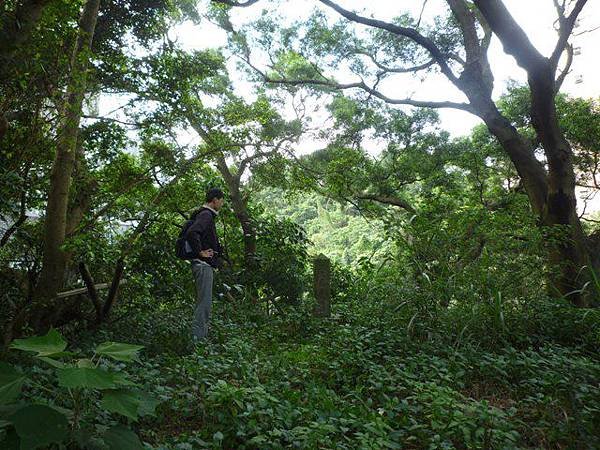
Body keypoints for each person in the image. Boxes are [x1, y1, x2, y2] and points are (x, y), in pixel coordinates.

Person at [185, 188, 224, 341]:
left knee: (203, 302)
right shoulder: (206, 214)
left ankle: (200, 338)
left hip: (202, 265)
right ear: (215, 200)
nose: (221, 204)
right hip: (203, 265)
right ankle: (198, 341)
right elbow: (192, 232)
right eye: (221, 201)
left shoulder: (204, 214)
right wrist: (200, 252)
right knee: (204, 304)